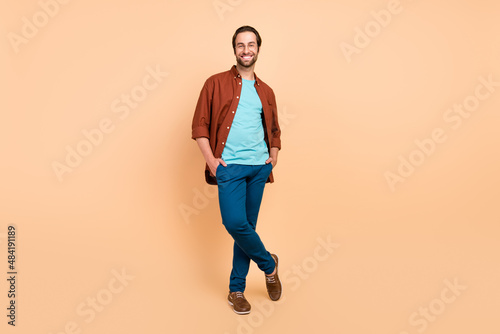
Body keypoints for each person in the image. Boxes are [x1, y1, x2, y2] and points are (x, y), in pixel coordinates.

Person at [191, 25, 282, 315]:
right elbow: (199, 125)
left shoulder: (266, 90)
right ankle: (269, 264)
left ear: (258, 49)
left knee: (246, 230)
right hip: (228, 167)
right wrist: (212, 162)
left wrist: (274, 154)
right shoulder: (215, 83)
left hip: (258, 168)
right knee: (235, 224)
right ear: (234, 50)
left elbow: (275, 130)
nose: (246, 50)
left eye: (251, 44)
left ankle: (236, 290)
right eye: (241, 45)